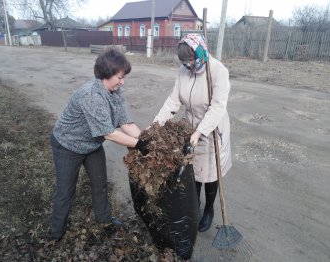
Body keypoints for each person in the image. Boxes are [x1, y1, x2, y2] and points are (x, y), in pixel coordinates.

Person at [50, 48, 148, 241]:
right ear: (107, 74)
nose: (123, 81)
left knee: (100, 184)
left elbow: (126, 123)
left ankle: (104, 219)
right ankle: (56, 233)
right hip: (67, 145)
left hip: (92, 145)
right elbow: (109, 133)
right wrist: (140, 145)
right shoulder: (91, 95)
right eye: (120, 77)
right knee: (65, 191)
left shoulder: (115, 92)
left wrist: (146, 140)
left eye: (123, 77)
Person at [153, 34, 232, 232]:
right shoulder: (183, 71)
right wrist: (156, 125)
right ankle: (194, 207)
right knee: (194, 171)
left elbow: (217, 107)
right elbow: (173, 101)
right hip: (190, 126)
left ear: (201, 53)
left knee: (211, 173)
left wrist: (200, 132)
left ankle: (209, 211)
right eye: (184, 63)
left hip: (212, 128)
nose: (189, 66)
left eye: (191, 61)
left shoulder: (218, 71)